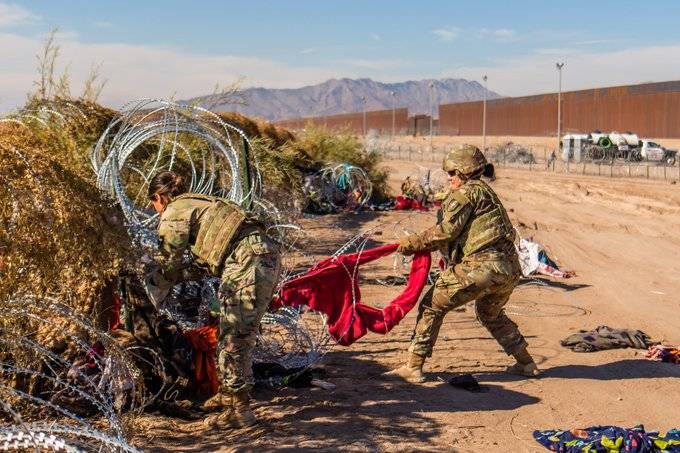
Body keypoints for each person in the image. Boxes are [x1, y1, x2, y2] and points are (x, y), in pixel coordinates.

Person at [387, 145, 540, 383]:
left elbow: (446, 232)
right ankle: (527, 363)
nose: (449, 179)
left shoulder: (465, 194)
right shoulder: (485, 192)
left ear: (463, 172)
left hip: (481, 267)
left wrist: (412, 243)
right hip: (508, 270)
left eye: (451, 174)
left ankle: (413, 367)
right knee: (491, 314)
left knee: (431, 305)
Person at [146, 171, 281, 428]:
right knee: (232, 331)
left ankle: (240, 410)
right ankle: (229, 395)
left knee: (235, 337)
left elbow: (169, 264)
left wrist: (153, 284)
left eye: (153, 202)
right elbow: (202, 262)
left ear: (160, 197)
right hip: (259, 257)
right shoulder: (199, 204)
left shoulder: (173, 213)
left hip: (247, 262)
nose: (154, 210)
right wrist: (178, 276)